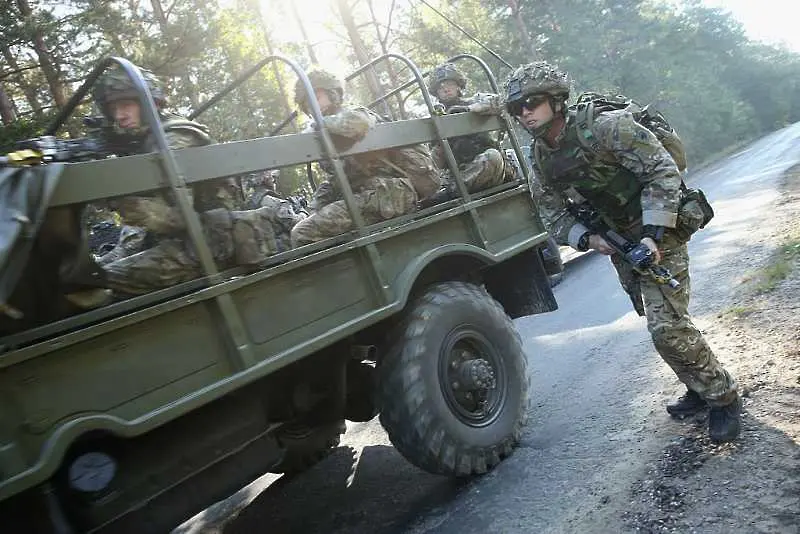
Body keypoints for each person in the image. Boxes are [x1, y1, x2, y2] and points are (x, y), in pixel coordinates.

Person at [502, 61, 741, 442]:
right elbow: (551, 213)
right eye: (518, 108)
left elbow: (663, 172)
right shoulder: (539, 155)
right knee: (656, 319)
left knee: (667, 327)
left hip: (660, 230)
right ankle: (697, 388)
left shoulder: (605, 126)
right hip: (619, 244)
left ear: (557, 100)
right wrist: (586, 239)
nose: (525, 112)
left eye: (532, 102)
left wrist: (652, 233)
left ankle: (723, 396)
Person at [91, 64, 248, 295]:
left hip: (208, 243)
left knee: (99, 284)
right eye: (113, 109)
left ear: (149, 104)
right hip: (178, 241)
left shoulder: (174, 139)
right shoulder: (144, 140)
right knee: (89, 276)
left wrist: (123, 201)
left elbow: (180, 218)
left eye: (126, 105)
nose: (119, 116)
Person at [290, 69, 439, 247]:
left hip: (391, 194)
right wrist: (313, 208)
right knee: (302, 228)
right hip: (374, 197)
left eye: (315, 96)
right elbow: (336, 180)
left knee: (302, 234)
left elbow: (358, 123)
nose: (310, 106)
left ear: (333, 93)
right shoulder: (328, 135)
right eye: (306, 104)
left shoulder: (355, 113)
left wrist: (319, 126)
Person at [423, 62, 509, 205]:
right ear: (436, 93)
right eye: (440, 87)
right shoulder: (436, 119)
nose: (445, 88)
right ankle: (451, 192)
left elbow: (502, 102)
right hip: (461, 173)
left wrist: (470, 110)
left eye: (448, 83)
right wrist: (442, 140)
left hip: (487, 165)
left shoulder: (473, 101)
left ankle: (451, 192)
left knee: (493, 156)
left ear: (458, 85)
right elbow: (435, 164)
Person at [243, 170, 307, 253]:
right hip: (286, 253)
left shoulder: (250, 202)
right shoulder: (271, 201)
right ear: (264, 179)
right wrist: (301, 210)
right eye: (273, 178)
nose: (274, 180)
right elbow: (297, 224)